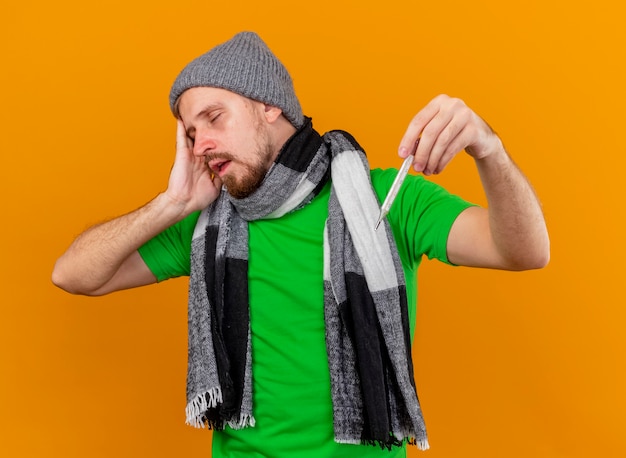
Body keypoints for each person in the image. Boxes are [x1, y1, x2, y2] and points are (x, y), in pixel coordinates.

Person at [52, 31, 549, 457]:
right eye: (190, 132)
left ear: (269, 105)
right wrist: (171, 202)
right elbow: (73, 275)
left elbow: (523, 252)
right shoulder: (207, 226)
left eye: (214, 117)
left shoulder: (385, 200)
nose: (200, 142)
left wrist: (488, 147)